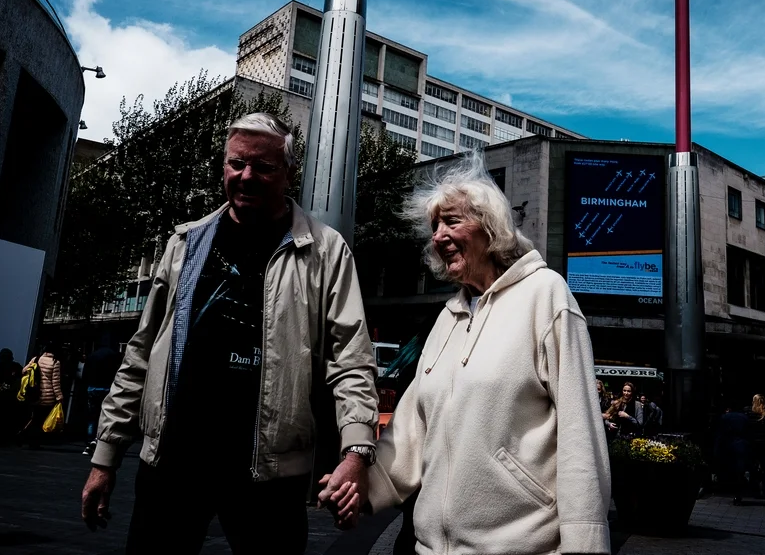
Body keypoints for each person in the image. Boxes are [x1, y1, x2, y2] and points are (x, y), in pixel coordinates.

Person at [79, 113, 380, 554]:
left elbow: (352, 360)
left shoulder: (326, 251)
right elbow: (141, 356)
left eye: (263, 167)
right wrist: (105, 458)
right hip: (173, 464)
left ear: (289, 172)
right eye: (236, 164)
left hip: (269, 475)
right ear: (223, 165)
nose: (246, 176)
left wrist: (356, 454)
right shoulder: (186, 244)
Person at [323, 152, 611, 554]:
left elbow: (581, 435)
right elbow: (411, 430)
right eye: (434, 226)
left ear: (490, 227)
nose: (438, 236)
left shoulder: (546, 295)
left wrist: (584, 544)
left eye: (452, 221)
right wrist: (359, 488)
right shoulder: (448, 317)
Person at [81, 343, 121, 456]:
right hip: (107, 388)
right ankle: (102, 440)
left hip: (93, 387)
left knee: (92, 416)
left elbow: (85, 374)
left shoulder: (92, 356)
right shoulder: (114, 356)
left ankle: (89, 441)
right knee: (106, 415)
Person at [20, 347, 63, 448]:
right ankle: (33, 441)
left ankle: (27, 437)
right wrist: (59, 396)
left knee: (34, 417)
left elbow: (24, 371)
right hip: (47, 396)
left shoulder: (36, 358)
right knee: (40, 420)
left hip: (34, 393)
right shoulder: (55, 362)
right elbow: (55, 382)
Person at [715, 403, 749, 505]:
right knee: (740, 470)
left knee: (731, 469)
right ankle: (738, 494)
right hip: (741, 445)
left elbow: (720, 434)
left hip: (729, 445)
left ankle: (730, 488)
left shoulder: (724, 417)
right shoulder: (744, 418)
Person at [744, 393, 765, 499]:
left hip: (751, 444)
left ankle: (753, 488)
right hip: (763, 444)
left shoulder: (748, 413)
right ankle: (764, 490)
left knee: (752, 467)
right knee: (763, 468)